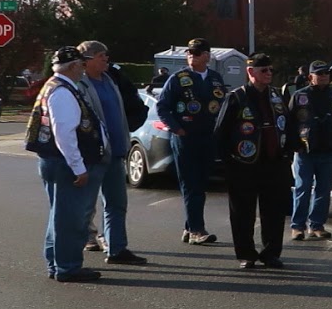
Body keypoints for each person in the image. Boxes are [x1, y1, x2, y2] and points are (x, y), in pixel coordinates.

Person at [24, 46, 107, 282]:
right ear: (71, 66)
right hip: (64, 164)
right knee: (70, 219)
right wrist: (78, 168)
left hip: (55, 161)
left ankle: (56, 263)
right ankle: (68, 267)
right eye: (81, 65)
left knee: (59, 215)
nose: (83, 69)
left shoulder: (56, 86)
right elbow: (64, 134)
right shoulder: (62, 91)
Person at [214, 52, 291, 269]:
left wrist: (289, 153)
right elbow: (220, 133)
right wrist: (227, 163)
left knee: (274, 212)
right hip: (244, 164)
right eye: (263, 70)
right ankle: (246, 254)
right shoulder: (237, 97)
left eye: (270, 70)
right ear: (250, 72)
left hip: (274, 162)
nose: (269, 74)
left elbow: (289, 126)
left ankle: (271, 253)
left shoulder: (276, 96)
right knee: (242, 212)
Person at [77, 41, 150, 265]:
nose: (106, 59)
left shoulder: (110, 80)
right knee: (84, 207)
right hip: (93, 155)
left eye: (106, 55)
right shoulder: (79, 84)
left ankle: (117, 249)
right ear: (87, 60)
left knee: (117, 204)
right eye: (101, 56)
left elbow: (128, 108)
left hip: (116, 152)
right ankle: (71, 255)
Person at [155, 38, 226, 245]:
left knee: (201, 185)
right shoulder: (179, 78)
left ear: (207, 56)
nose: (191, 57)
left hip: (208, 137)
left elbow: (221, 106)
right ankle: (197, 229)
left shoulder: (215, 78)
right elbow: (163, 106)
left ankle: (190, 227)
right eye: (189, 53)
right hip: (186, 138)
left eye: (196, 53)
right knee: (191, 184)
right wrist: (177, 128)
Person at [287, 59, 332, 241]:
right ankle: (297, 226)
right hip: (305, 151)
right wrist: (294, 145)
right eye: (319, 74)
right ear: (310, 76)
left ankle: (317, 225)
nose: (323, 77)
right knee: (302, 188)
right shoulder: (299, 96)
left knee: (324, 190)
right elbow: (289, 122)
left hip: (329, 151)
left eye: (326, 73)